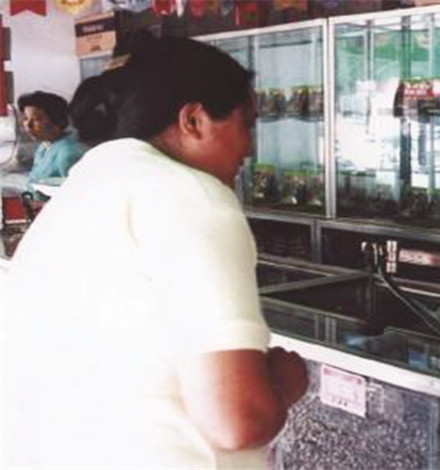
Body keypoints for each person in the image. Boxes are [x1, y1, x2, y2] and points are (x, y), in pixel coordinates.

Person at [1, 35, 308, 469]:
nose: (250, 147)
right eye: (246, 123)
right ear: (194, 120)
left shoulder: (86, 186)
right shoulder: (190, 194)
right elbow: (240, 420)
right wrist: (284, 384)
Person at [17, 91, 86, 194]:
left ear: (59, 121)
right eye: (26, 118)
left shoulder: (68, 154)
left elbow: (76, 193)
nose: (28, 125)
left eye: (37, 119)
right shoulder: (45, 145)